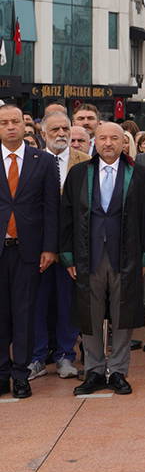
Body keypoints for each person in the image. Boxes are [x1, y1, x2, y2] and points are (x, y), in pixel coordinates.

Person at [62, 122, 145, 397]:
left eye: (114, 138)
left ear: (124, 143)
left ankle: (117, 370)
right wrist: (67, 255)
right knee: (90, 314)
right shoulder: (79, 173)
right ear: (95, 141)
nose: (107, 143)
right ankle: (93, 370)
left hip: (125, 253)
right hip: (87, 254)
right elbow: (67, 215)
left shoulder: (137, 174)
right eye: (102, 138)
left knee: (122, 312)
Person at [0, 105, 59, 398]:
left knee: (24, 313)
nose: (10, 127)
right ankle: (1, 374)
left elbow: (51, 208)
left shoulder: (44, 161)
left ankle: (21, 374)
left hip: (30, 251)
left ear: (25, 127)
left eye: (15, 122)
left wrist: (50, 247)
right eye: (4, 123)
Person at [29, 112, 87, 381]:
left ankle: (65, 355)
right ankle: (38, 356)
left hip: (73, 247)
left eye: (65, 128)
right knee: (37, 303)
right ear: (43, 133)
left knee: (68, 303)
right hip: (37, 247)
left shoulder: (85, 163)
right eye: (55, 129)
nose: (61, 133)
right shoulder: (33, 161)